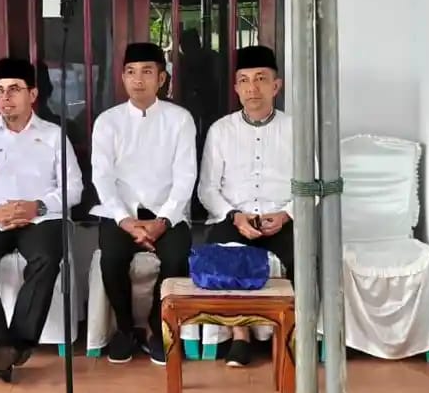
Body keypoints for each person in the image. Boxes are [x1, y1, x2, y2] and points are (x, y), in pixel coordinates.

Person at [0, 58, 84, 383]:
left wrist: (37, 207)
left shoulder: (54, 135)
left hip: (41, 219)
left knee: (46, 259)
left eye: (14, 89)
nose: (5, 98)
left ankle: (18, 341)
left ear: (33, 94)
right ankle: (2, 341)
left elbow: (74, 188)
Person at [91, 42, 198, 365]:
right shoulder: (107, 121)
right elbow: (102, 178)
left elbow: (185, 177)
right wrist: (125, 220)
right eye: (131, 72)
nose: (138, 80)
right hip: (121, 212)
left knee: (177, 257)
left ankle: (155, 328)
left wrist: (163, 221)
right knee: (111, 258)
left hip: (167, 212)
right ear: (123, 77)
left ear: (161, 79)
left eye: (147, 72)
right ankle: (126, 329)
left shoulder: (180, 119)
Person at [198, 45, 294, 367]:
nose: (252, 88)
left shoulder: (297, 130)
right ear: (236, 88)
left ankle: (287, 335)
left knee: (303, 256)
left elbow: (313, 185)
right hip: (234, 218)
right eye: (244, 80)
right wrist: (235, 216)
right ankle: (240, 336)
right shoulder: (220, 131)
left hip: (282, 218)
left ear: (276, 86)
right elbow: (207, 189)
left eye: (261, 79)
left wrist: (286, 214)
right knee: (223, 253)